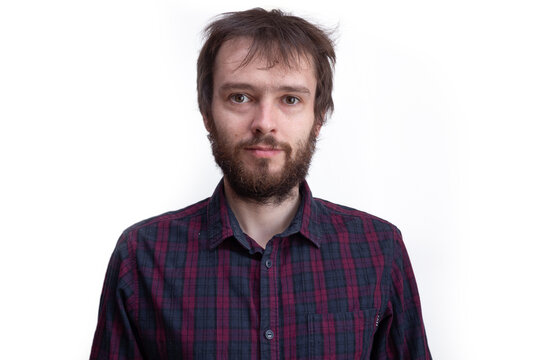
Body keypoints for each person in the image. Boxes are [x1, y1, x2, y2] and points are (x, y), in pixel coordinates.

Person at [90, 8, 431, 360]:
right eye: (240, 97)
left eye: (290, 99)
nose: (264, 123)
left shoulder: (378, 250)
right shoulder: (142, 257)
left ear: (319, 116)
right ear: (207, 112)